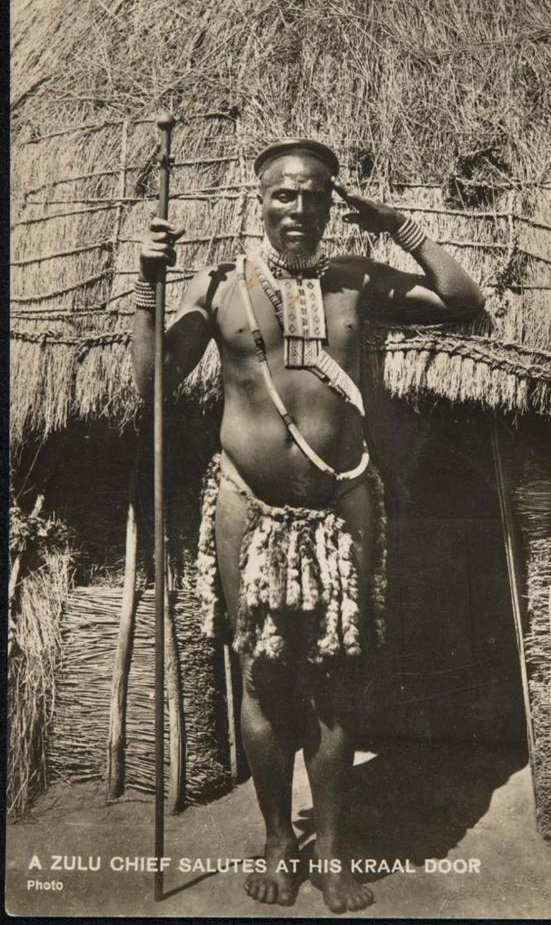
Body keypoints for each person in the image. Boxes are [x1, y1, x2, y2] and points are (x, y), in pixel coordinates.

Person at [132, 139, 484, 913]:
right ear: (259, 200)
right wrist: (149, 284)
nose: (296, 210)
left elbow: (463, 302)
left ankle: (329, 849)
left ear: (332, 204)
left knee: (335, 676)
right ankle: (273, 840)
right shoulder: (221, 283)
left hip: (343, 501)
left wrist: (399, 226)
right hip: (244, 504)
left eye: (312, 197)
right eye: (283, 196)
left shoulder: (355, 281)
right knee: (261, 675)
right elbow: (155, 379)